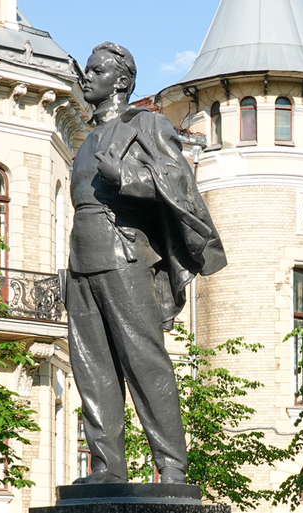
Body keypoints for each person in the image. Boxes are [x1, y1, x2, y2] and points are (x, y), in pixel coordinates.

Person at [65, 42, 226, 485]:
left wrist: (129, 178)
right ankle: (106, 467)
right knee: (91, 366)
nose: (87, 77)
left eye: (96, 71)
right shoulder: (86, 138)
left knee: (144, 361)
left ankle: (171, 465)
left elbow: (180, 185)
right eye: (88, 69)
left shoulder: (147, 125)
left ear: (120, 81)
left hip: (124, 253)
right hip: (81, 259)